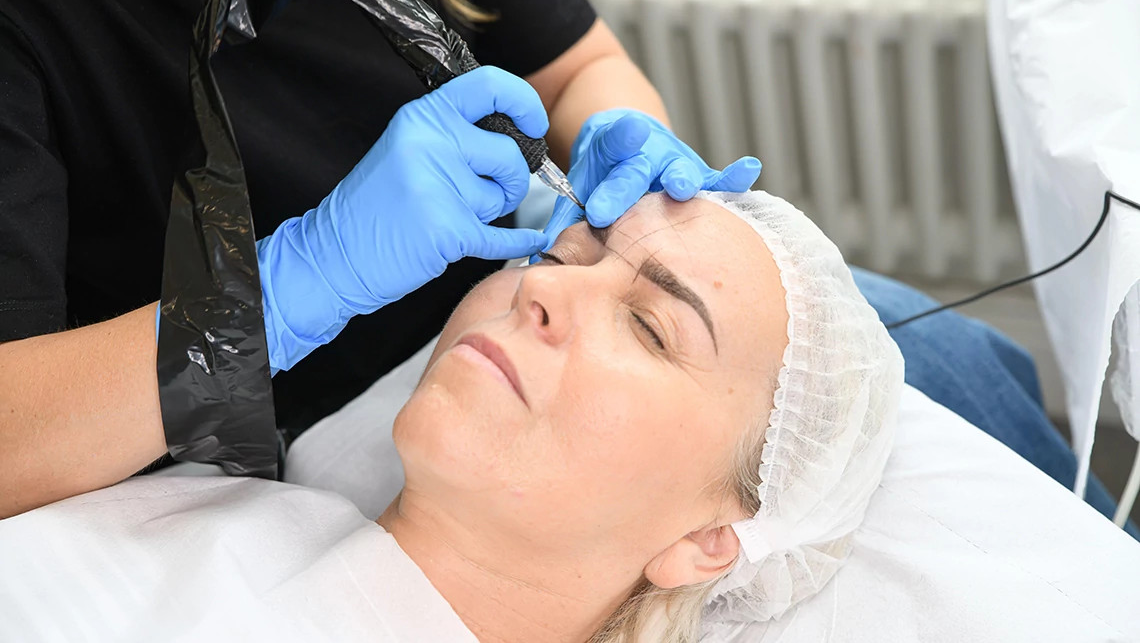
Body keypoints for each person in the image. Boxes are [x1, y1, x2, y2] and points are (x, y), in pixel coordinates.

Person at [0, 191, 904, 642]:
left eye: (649, 326)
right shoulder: (194, 492)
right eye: (558, 251)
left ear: (712, 540)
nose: (543, 285)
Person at [0, 0, 761, 517]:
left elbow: (576, 67)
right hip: (240, 431)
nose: (549, 291)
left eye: (651, 327)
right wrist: (288, 289)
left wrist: (616, 130)